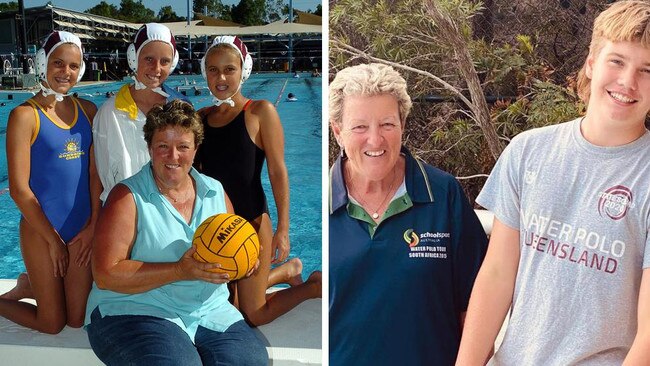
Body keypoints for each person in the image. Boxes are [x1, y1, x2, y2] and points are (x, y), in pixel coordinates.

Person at [456, 2, 650, 364]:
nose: (628, 81)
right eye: (617, 61)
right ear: (592, 62)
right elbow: (497, 275)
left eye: (647, 69)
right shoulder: (528, 150)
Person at [85, 100, 267, 365]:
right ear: (149, 148)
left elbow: (233, 248)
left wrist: (245, 262)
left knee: (251, 361)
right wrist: (179, 270)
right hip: (135, 309)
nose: (173, 156)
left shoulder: (215, 191)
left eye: (183, 146)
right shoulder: (127, 197)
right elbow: (105, 273)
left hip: (209, 312)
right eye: (163, 147)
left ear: (195, 149)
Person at [329, 63, 488, 365]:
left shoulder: (443, 195)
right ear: (338, 132)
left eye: (387, 124)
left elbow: (478, 308)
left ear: (402, 123)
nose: (375, 140)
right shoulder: (323, 207)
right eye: (360, 126)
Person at [196, 35, 321, 325]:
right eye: (213, 70)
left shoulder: (260, 112)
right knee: (229, 305)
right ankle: (287, 271)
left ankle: (312, 285)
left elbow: (278, 172)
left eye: (229, 69)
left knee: (253, 313)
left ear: (243, 70)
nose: (221, 77)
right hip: (218, 229)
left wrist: (283, 230)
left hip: (252, 222)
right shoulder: (200, 118)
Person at [1, 31, 100, 333]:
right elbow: (19, 190)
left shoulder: (88, 111)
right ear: (44, 64)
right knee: (52, 323)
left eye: (73, 66)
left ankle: (30, 285)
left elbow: (95, 176)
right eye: (58, 63)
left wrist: (93, 225)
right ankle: (22, 289)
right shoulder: (25, 115)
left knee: (76, 319)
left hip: (80, 231)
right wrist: (54, 241)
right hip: (41, 231)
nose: (65, 72)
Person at [93, 23, 187, 203]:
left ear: (173, 63)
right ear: (133, 58)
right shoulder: (109, 112)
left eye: (165, 61)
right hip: (123, 211)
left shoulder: (179, 108)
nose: (156, 68)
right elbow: (98, 174)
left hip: (169, 209)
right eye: (149, 59)